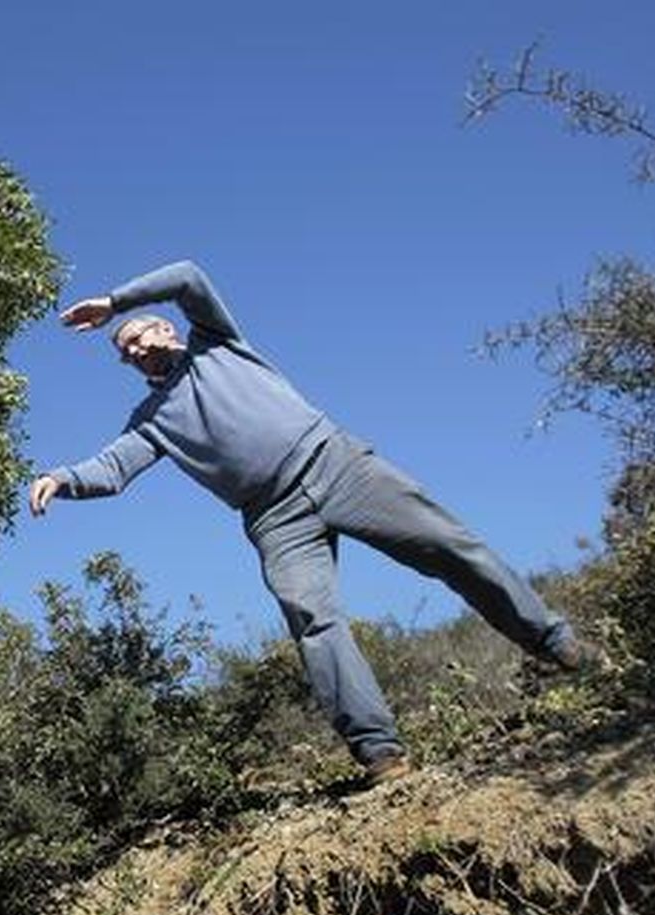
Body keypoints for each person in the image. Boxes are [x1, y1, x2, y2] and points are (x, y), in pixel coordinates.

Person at [31, 259, 597, 789]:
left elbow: (188, 277)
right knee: (311, 618)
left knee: (448, 544)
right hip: (274, 516)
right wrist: (62, 478)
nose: (134, 352)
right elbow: (112, 469)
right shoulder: (150, 421)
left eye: (136, 338)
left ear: (164, 329)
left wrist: (115, 303)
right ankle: (379, 751)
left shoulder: (217, 343)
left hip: (334, 463)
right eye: (125, 354)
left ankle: (555, 642)